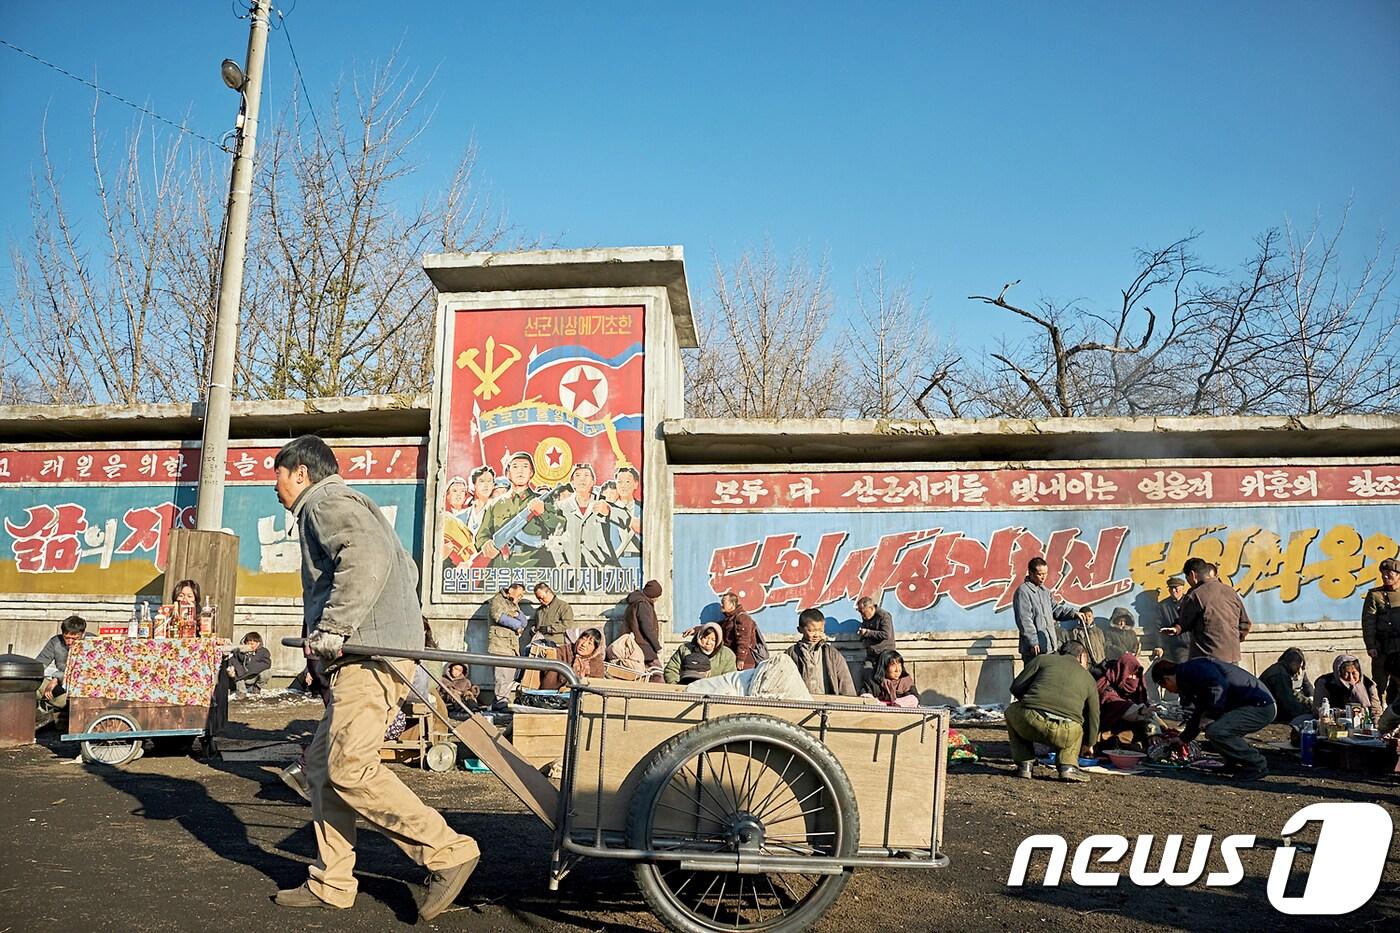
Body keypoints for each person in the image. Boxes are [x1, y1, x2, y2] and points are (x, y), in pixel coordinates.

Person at [269, 435, 479, 919]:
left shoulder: (325, 502)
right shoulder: (354, 503)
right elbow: (401, 567)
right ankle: (332, 881)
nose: (273, 486)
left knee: (348, 769)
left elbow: (364, 558)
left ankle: (448, 851)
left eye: (277, 475)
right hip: (375, 652)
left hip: (367, 657)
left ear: (301, 472)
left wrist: (334, 628)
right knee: (322, 771)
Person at [1151, 657, 1275, 781]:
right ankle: (1233, 763)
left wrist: (1210, 716)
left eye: (1166, 687)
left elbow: (1218, 687)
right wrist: (1183, 738)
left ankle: (1256, 764)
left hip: (1259, 706)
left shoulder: (1194, 669)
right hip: (1250, 705)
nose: (1169, 691)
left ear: (1167, 679)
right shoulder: (1190, 677)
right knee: (1213, 729)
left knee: (1217, 731)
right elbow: (1198, 713)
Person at [1005, 641, 1100, 783]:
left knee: (1012, 710)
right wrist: (1090, 743)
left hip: (1030, 722)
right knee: (1077, 727)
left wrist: (1031, 703)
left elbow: (1016, 687)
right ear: (1081, 657)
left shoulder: (1043, 660)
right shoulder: (1089, 679)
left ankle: (1024, 764)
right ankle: (1067, 767)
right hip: (1066, 733)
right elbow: (1093, 716)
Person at [475, 451, 563, 567]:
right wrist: (486, 545)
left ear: (531, 473)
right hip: (504, 568)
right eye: (515, 467)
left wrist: (544, 513)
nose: (520, 471)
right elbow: (481, 535)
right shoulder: (494, 505)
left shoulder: (543, 501)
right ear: (508, 473)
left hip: (537, 566)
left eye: (525, 467)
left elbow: (561, 526)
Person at [1160, 558, 1251, 664]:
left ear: (1193, 575)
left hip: (1207, 658)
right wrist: (1232, 641)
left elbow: (1185, 620)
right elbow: (1245, 623)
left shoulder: (1195, 595)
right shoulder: (1230, 591)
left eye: (1187, 577)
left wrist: (1176, 629)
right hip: (1232, 657)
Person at [1011, 557, 1093, 660]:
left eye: (1045, 574)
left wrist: (1073, 614)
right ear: (1031, 573)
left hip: (1050, 646)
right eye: (1040, 574)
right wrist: (1033, 641)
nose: (1043, 577)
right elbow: (1024, 620)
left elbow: (1056, 610)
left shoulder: (1045, 592)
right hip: (1034, 650)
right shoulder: (1023, 592)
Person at [785, 609, 856, 697]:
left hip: (828, 703)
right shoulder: (792, 653)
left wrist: (850, 701)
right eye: (811, 630)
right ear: (800, 630)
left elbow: (845, 682)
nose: (816, 634)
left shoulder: (832, 654)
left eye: (820, 630)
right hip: (801, 703)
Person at [1361, 557, 1400, 705]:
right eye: (1383, 573)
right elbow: (1368, 621)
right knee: (1379, 682)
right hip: (1382, 647)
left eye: (1389, 573)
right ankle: (1380, 709)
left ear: (1398, 574)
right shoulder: (1375, 595)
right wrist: (1370, 645)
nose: (1385, 576)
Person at [1094, 652, 1153, 750]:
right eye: (1130, 676)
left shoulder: (1139, 692)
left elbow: (1149, 710)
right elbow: (1119, 706)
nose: (1133, 679)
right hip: (1108, 740)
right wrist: (1140, 711)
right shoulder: (1107, 688)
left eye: (1135, 676)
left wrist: (1155, 734)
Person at [35, 615, 86, 727]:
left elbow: (82, 671)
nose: (69, 642)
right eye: (66, 637)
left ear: (82, 634)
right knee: (34, 684)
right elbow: (40, 664)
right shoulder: (55, 642)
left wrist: (57, 678)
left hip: (82, 691)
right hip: (61, 688)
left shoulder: (91, 643)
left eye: (74, 638)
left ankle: (62, 714)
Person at [485, 583, 529, 710]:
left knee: (509, 676)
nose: (520, 597)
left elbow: (524, 622)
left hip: (511, 646)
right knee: (502, 675)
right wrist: (517, 625)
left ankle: (500, 700)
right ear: (511, 590)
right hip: (500, 644)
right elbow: (498, 616)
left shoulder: (513, 603)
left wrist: (516, 608)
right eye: (519, 594)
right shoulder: (498, 600)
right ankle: (500, 702)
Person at [1312, 654, 1382, 722]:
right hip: (1334, 723)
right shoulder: (1325, 683)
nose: (1351, 678)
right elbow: (1318, 710)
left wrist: (1376, 725)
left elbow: (1376, 711)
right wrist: (1347, 713)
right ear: (1339, 673)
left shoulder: (1368, 684)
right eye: (1347, 674)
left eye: (1354, 673)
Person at [664, 622, 736, 685]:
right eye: (706, 638)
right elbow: (671, 669)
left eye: (713, 640)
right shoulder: (685, 649)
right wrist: (676, 685)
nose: (708, 642)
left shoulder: (727, 655)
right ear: (700, 637)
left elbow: (729, 677)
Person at [1258, 648, 1313, 723]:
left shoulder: (1279, 669)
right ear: (1293, 664)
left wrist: (1308, 702)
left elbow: (1292, 694)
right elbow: (1288, 702)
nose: (1299, 670)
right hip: (1265, 711)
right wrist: (1308, 710)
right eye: (1298, 666)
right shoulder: (1280, 675)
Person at [623, 580, 665, 675]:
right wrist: (657, 646)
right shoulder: (643, 604)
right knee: (658, 673)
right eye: (657, 596)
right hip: (644, 647)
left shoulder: (637, 602)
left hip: (638, 646)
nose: (657, 599)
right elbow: (647, 627)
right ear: (652, 595)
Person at [855, 595, 896, 690]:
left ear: (870, 608)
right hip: (871, 654)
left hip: (884, 654)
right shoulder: (866, 618)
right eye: (860, 612)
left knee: (884, 680)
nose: (862, 615)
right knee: (867, 673)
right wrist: (862, 634)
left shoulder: (884, 616)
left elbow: (886, 634)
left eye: (863, 612)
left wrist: (868, 632)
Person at [720, 591, 761, 671]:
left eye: (723, 602)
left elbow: (744, 639)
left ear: (732, 604)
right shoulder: (730, 619)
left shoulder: (742, 618)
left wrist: (741, 659)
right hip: (733, 658)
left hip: (745, 662)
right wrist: (696, 629)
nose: (721, 605)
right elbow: (716, 626)